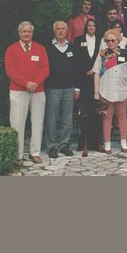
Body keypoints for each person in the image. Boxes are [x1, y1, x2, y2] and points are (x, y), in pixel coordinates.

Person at [5, 21, 50, 165]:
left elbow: (45, 68)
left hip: (38, 90)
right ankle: (18, 155)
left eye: (29, 31)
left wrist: (35, 83)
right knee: (17, 122)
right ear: (19, 33)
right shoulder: (11, 49)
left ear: (32, 33)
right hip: (18, 90)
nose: (26, 34)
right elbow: (10, 70)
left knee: (38, 121)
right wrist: (26, 83)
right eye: (24, 31)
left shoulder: (40, 48)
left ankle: (34, 152)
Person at [93, 28, 127, 154]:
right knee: (107, 118)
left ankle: (124, 142)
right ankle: (107, 144)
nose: (110, 43)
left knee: (122, 116)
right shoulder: (102, 54)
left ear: (118, 41)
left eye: (113, 40)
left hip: (122, 90)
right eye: (108, 41)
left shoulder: (126, 53)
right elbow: (96, 73)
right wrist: (96, 92)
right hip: (105, 90)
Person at [43, 21, 80, 158]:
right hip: (52, 89)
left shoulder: (73, 48)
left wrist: (77, 88)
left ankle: (64, 144)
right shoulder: (48, 48)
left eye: (63, 29)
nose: (60, 31)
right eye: (58, 29)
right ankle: (52, 146)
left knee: (67, 119)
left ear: (66, 31)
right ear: (54, 31)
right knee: (51, 119)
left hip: (69, 88)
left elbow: (77, 69)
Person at [74, 18, 101, 155]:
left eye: (93, 25)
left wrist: (95, 70)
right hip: (83, 80)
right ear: (86, 27)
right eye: (89, 25)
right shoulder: (79, 40)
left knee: (96, 113)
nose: (91, 27)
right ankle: (82, 143)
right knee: (84, 113)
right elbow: (77, 61)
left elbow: (103, 57)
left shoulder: (101, 40)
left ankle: (95, 142)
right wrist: (77, 87)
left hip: (97, 81)